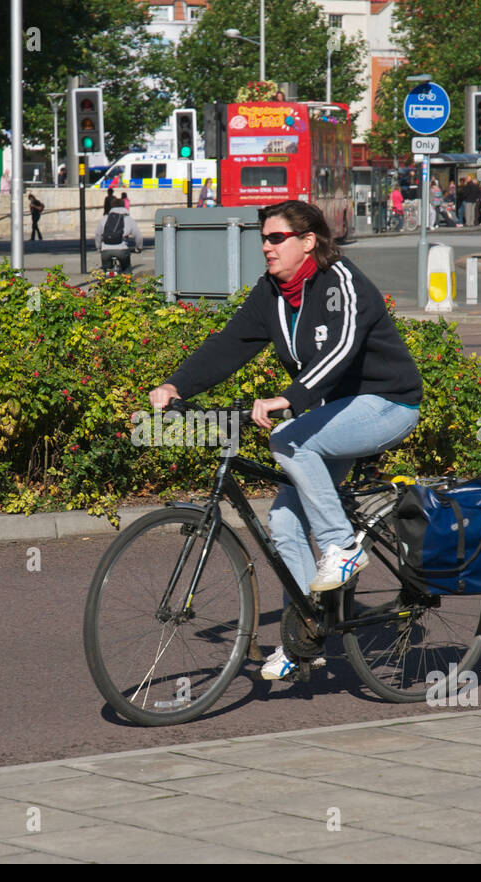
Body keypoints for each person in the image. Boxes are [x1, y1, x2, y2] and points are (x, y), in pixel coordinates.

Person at [147, 200, 423, 681]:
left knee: (287, 441)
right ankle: (305, 636)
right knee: (283, 522)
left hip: (386, 404)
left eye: (277, 238)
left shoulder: (341, 282)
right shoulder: (272, 293)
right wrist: (177, 385)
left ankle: (342, 546)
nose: (266, 246)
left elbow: (342, 347)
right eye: (264, 238)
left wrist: (290, 397)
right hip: (334, 412)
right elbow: (230, 344)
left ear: (308, 241)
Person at [96, 198, 142, 272]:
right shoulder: (128, 219)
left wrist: (99, 248)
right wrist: (138, 248)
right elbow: (138, 236)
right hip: (122, 250)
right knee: (126, 269)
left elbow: (98, 234)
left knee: (106, 270)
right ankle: (127, 280)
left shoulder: (105, 218)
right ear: (124, 206)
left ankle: (106, 278)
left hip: (105, 250)